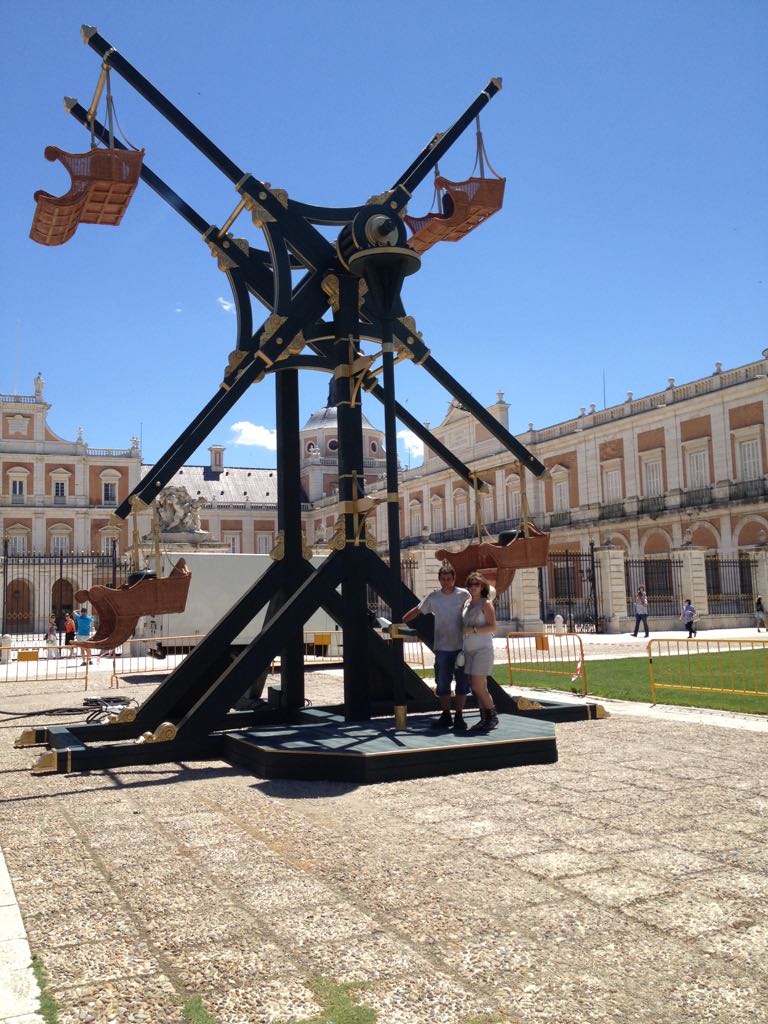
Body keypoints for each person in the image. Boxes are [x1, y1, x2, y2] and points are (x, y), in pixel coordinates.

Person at [403, 564, 470, 730]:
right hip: (443, 647)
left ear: (454, 579)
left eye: (449, 579)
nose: (446, 582)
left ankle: (459, 715)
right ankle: (446, 714)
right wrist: (402, 620)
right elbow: (418, 610)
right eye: (443, 579)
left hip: (462, 647)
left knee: (462, 682)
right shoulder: (434, 597)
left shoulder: (464, 595)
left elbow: (475, 610)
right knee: (442, 682)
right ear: (439, 580)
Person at [461, 572, 498, 732]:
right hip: (469, 649)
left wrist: (473, 630)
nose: (473, 587)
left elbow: (493, 627)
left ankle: (493, 717)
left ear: (482, 586)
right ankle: (484, 719)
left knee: (477, 686)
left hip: (483, 649)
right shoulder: (467, 603)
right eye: (470, 584)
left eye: (476, 584)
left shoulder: (486, 603)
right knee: (480, 687)